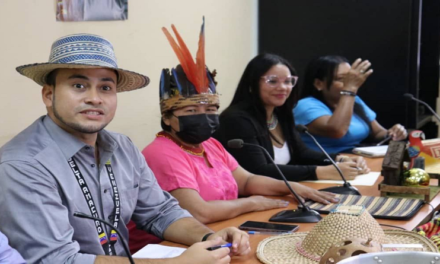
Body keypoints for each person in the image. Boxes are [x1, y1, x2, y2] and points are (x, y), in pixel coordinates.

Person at [0, 33, 250, 264]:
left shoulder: (122, 146)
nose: (94, 98)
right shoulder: (23, 165)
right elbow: (57, 260)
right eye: (78, 86)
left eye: (106, 88)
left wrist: (211, 238)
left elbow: (160, 211)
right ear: (48, 95)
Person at [128, 22, 338, 252]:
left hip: (221, 232)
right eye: (191, 111)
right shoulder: (162, 152)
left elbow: (246, 181)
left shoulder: (210, 144)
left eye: (210, 110)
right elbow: (198, 211)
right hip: (168, 248)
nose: (203, 117)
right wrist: (252, 203)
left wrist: (291, 187)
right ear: (167, 118)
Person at [213, 53, 370, 182]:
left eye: (289, 81)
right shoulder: (236, 119)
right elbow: (258, 170)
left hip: (283, 191)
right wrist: (321, 172)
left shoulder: (280, 113)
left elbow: (301, 153)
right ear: (252, 84)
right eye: (272, 81)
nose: (283, 87)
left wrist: (339, 159)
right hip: (249, 197)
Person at [294, 55, 407, 153]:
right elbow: (337, 131)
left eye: (351, 79)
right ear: (319, 83)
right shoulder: (305, 105)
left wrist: (392, 134)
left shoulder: (354, 100)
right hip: (326, 164)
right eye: (342, 79)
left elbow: (377, 132)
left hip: (357, 159)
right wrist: (349, 90)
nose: (350, 83)